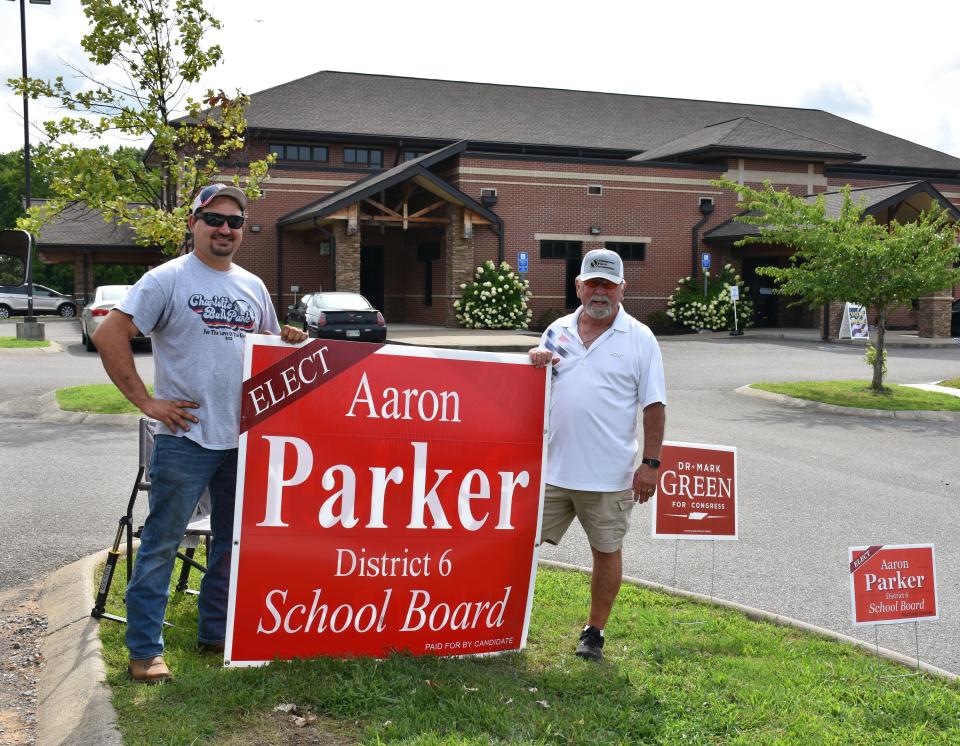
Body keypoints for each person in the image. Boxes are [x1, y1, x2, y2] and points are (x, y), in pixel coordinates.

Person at [93, 183, 308, 683]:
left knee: (232, 542)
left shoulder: (253, 286)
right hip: (185, 436)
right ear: (194, 222)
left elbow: (266, 349)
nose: (225, 229)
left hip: (245, 437)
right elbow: (109, 334)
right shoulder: (166, 279)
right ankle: (145, 651)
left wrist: (288, 339)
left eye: (234, 221)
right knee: (162, 543)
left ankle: (217, 633)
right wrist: (147, 402)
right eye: (214, 219)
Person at [529, 248, 666, 662]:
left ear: (623, 288)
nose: (600, 292)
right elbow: (533, 393)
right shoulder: (555, 331)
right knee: (517, 543)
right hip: (552, 471)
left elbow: (654, 407)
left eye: (608, 284)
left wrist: (651, 464)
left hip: (609, 477)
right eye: (593, 283)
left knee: (606, 552)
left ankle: (594, 631)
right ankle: (502, 616)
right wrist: (534, 364)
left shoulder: (640, 338)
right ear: (578, 286)